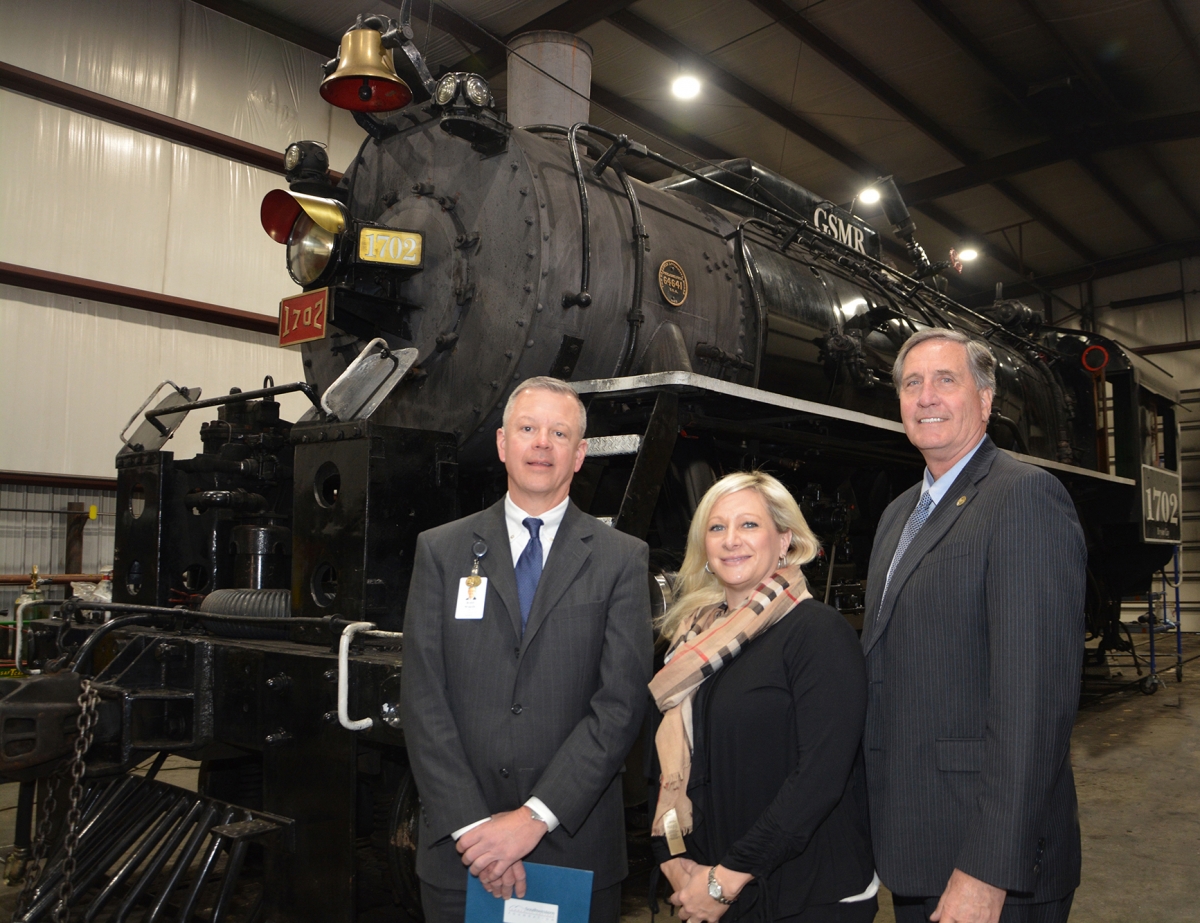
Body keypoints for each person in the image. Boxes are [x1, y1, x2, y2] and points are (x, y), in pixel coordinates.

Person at [400, 376, 653, 923]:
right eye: (528, 428)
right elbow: (423, 696)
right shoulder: (441, 551)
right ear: (501, 444)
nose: (542, 443)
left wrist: (534, 818)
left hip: (573, 848)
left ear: (580, 454)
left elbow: (620, 704)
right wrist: (474, 830)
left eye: (559, 433)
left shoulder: (621, 559)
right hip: (460, 853)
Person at [862, 328, 1085, 923]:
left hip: (986, 864)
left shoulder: (1025, 497)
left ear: (984, 401)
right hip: (917, 847)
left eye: (945, 380)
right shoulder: (896, 514)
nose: (926, 396)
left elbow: (1034, 705)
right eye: (912, 383)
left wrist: (989, 868)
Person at [649, 471, 878, 923]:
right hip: (714, 890)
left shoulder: (818, 633)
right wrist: (675, 862)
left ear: (785, 541)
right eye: (717, 528)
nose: (731, 540)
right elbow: (663, 767)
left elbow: (819, 779)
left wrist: (726, 879)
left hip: (805, 896)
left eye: (749, 525)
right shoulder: (692, 640)